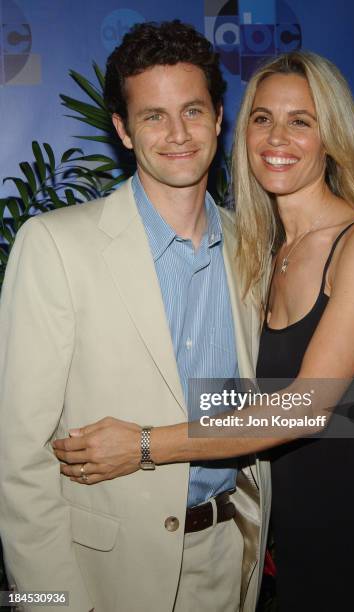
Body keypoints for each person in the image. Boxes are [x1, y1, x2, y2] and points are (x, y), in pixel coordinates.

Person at [53, 50, 354, 610]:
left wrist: (141, 445)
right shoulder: (256, 253)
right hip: (297, 545)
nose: (277, 137)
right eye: (262, 118)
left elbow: (305, 407)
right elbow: (255, 396)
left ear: (330, 136)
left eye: (300, 121)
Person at [0, 21, 271, 612]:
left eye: (193, 111)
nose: (178, 134)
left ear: (219, 119)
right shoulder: (55, 245)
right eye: (153, 116)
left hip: (229, 559)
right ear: (123, 129)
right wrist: (52, 605)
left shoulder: (254, 247)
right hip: (103, 577)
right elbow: (18, 461)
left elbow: (262, 408)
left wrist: (149, 444)